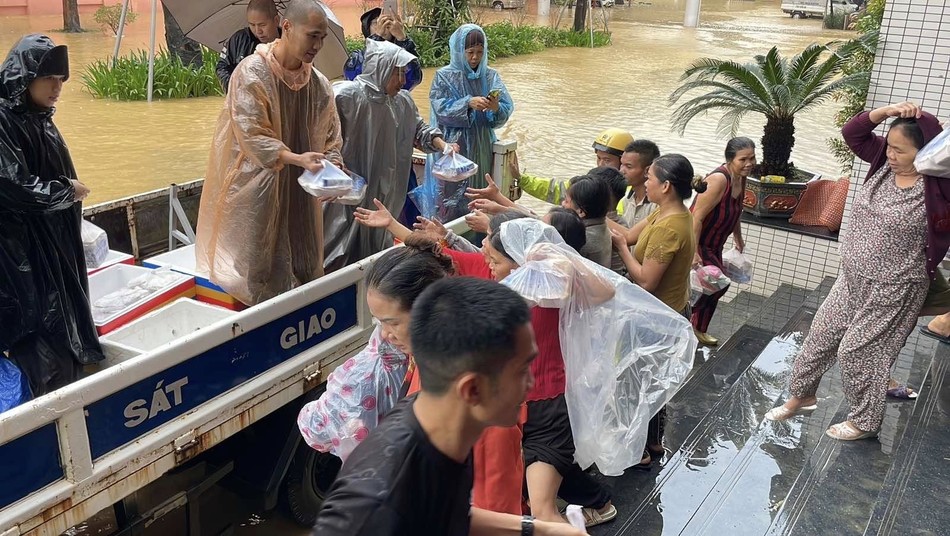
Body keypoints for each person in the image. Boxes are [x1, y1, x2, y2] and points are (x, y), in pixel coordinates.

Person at [313, 277, 587, 536]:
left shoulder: (438, 423)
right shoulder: (378, 508)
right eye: (522, 370)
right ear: (472, 389)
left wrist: (541, 528)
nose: (532, 383)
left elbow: (446, 513)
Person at [765, 102, 950, 441]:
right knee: (820, 337)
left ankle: (865, 422)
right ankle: (801, 397)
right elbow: (853, 133)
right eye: (889, 145)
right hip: (851, 279)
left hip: (894, 286)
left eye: (900, 150)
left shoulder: (939, 186)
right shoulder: (882, 163)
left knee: (859, 351)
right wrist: (886, 111)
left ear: (925, 152)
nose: (890, 154)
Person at [195, 0, 343, 306]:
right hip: (257, 188)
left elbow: (331, 137)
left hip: (302, 190)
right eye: (312, 36)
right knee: (257, 265)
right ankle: (256, 321)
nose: (317, 45)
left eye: (322, 38)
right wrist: (296, 159)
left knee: (304, 260)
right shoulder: (251, 72)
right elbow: (252, 134)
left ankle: (299, 319)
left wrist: (334, 167)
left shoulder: (318, 84)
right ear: (287, 26)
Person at [0, 34, 104, 397]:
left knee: (62, 326)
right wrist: (66, 191)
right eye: (49, 79)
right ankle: (50, 411)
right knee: (41, 338)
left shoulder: (39, 117)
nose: (57, 88)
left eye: (61, 80)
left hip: (52, 247)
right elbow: (12, 185)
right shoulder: (4, 119)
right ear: (26, 77)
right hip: (22, 255)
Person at [323, 40, 452, 270]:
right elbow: (320, 135)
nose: (403, 80)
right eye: (397, 72)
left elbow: (420, 130)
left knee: (378, 250)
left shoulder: (403, 102)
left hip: (385, 194)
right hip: (347, 193)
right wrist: (331, 165)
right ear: (380, 68)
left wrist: (443, 145)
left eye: (403, 73)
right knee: (337, 248)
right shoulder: (345, 95)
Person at [609, 154, 701, 466]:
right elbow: (627, 234)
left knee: (639, 383)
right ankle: (653, 441)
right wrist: (591, 212)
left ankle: (640, 451)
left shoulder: (669, 228)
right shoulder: (669, 213)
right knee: (654, 380)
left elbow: (647, 280)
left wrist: (623, 251)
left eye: (650, 178)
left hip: (657, 318)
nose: (644, 182)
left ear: (666, 186)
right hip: (667, 311)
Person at [427, 24, 513, 220]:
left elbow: (505, 109)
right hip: (454, 146)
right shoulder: (444, 76)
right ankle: (448, 231)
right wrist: (467, 103)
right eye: (470, 52)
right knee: (450, 197)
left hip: (483, 145)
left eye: (480, 52)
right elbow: (440, 109)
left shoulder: (490, 76)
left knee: (479, 193)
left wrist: (495, 108)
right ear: (459, 51)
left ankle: (479, 233)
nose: (475, 57)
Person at [690, 137, 756, 346]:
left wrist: (738, 237)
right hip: (700, 243)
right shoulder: (719, 180)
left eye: (752, 158)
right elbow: (696, 217)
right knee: (716, 284)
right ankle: (689, 324)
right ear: (730, 159)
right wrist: (693, 251)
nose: (749, 164)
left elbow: (737, 210)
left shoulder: (741, 178)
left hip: (716, 244)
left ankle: (698, 328)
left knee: (715, 285)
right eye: (743, 159)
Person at [514, 129, 635, 205]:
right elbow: (556, 190)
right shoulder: (591, 182)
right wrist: (522, 179)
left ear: (623, 161)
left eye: (607, 160)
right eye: (598, 158)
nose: (600, 164)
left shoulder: (631, 196)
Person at [343, 7, 422, 92]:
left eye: (389, 21)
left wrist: (402, 39)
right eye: (377, 22)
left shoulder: (401, 55)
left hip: (395, 99)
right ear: (367, 28)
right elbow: (358, 80)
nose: (384, 25)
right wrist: (377, 39)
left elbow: (414, 79)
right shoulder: (358, 56)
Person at [215, 0, 281, 91]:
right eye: (252, 25)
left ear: (276, 20)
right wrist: (236, 87)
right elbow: (222, 67)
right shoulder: (238, 40)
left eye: (262, 25)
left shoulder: (288, 43)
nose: (258, 31)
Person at [562, 176, 613, 268]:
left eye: (566, 201)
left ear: (581, 212)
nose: (562, 204)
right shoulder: (602, 226)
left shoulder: (582, 239)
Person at [618, 139, 661, 227]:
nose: (621, 171)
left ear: (647, 171)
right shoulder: (627, 199)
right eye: (622, 164)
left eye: (628, 166)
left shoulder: (657, 206)